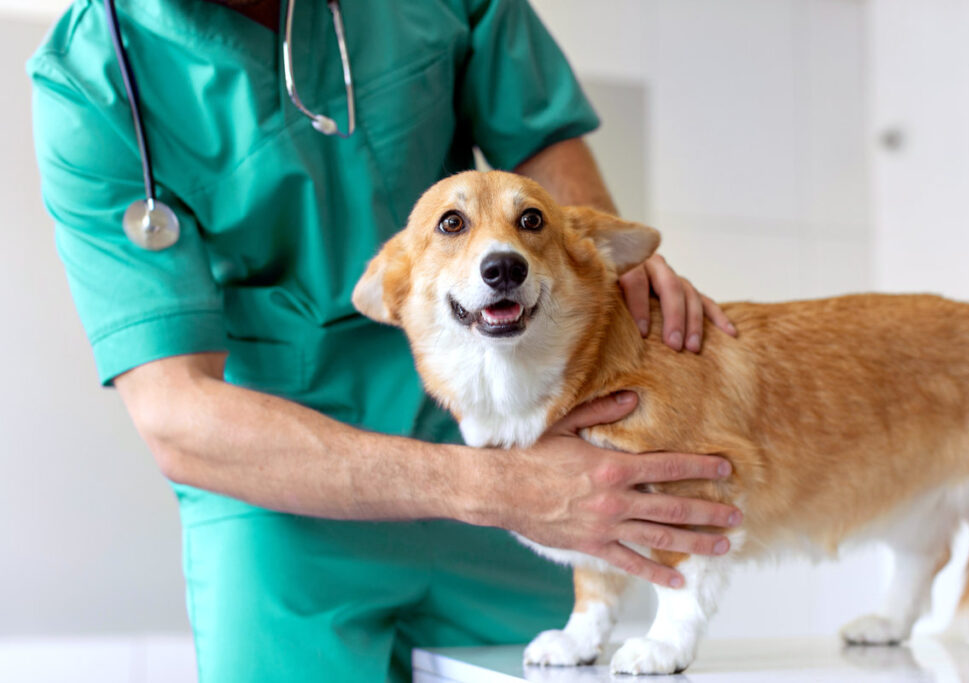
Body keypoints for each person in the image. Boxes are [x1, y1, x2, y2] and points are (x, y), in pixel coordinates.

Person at [28, 1, 742, 680]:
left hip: (517, 438)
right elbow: (174, 414)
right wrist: (495, 488)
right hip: (286, 500)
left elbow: (538, 140)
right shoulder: (89, 82)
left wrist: (603, 263)